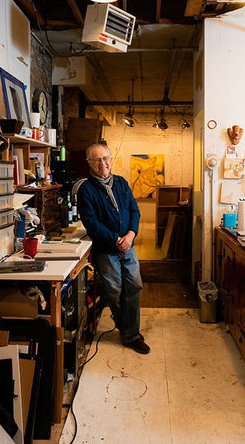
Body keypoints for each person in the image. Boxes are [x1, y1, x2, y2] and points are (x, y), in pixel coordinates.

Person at [77, 143, 149, 354]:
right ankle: (129, 331)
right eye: (97, 160)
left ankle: (130, 333)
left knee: (134, 287)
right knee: (115, 292)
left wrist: (130, 235)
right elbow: (91, 223)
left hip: (128, 247)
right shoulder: (86, 190)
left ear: (110, 159)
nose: (103, 163)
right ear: (89, 163)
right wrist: (117, 239)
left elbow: (134, 211)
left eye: (106, 158)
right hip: (107, 251)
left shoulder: (121, 183)